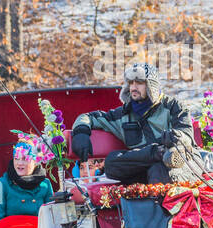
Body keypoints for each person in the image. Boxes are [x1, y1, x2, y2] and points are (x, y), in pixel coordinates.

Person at [70, 63, 203, 185]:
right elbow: (90, 117)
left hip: (183, 164)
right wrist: (81, 132)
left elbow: (186, 135)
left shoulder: (173, 106)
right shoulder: (123, 114)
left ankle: (163, 154)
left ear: (151, 85)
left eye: (139, 82)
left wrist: (176, 137)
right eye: (130, 83)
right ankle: (159, 152)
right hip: (144, 167)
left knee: (159, 168)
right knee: (111, 162)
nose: (133, 87)